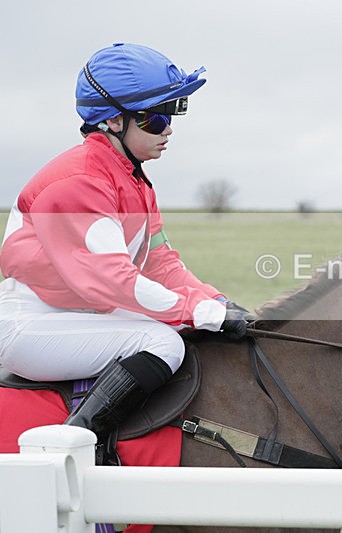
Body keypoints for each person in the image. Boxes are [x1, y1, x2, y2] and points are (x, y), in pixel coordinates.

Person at [0, 43, 253, 443]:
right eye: (155, 118)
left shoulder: (133, 180)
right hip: (29, 323)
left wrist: (218, 302)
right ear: (114, 122)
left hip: (75, 313)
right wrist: (195, 310)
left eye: (173, 113)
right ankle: (75, 444)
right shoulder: (80, 181)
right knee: (163, 343)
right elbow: (112, 281)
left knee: (181, 329)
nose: (168, 128)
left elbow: (161, 265)